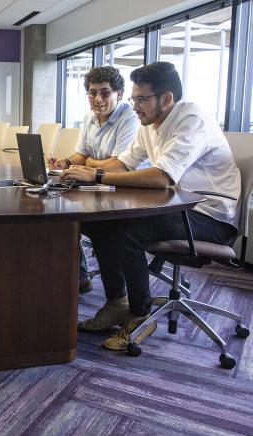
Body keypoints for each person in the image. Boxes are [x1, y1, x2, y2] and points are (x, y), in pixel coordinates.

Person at [62, 61, 241, 351]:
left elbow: (162, 177)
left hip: (208, 216)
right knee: (96, 221)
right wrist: (78, 174)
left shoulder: (191, 118)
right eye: (133, 99)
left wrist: (95, 174)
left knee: (127, 229)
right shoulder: (150, 123)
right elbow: (124, 163)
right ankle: (117, 301)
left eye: (141, 99)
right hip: (174, 208)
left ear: (166, 99)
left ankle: (140, 313)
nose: (135, 106)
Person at [50, 66, 139, 293]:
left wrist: (88, 164)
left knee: (84, 218)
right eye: (92, 92)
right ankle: (79, 276)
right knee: (55, 202)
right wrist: (67, 163)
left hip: (127, 190)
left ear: (119, 94)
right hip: (98, 184)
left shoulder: (130, 118)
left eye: (105, 93)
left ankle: (112, 291)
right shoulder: (89, 116)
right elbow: (82, 154)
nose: (98, 99)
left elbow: (119, 165)